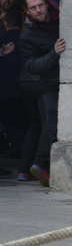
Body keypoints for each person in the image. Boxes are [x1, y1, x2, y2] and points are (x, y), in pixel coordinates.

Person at [19, 0, 64, 186]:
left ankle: (40, 165)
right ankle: (47, 169)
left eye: (40, 5)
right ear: (27, 11)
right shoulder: (28, 34)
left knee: (43, 125)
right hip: (49, 85)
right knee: (50, 127)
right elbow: (32, 66)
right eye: (33, 8)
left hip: (71, 81)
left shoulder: (63, 14)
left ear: (47, 3)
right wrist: (53, 54)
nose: (38, 11)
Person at [0, 10, 27, 173]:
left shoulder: (3, 41)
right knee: (24, 124)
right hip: (23, 89)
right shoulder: (25, 39)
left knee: (14, 126)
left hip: (5, 92)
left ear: (5, 23)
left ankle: (26, 159)